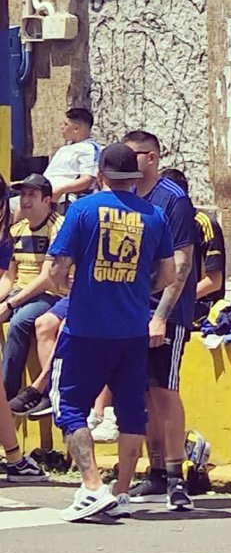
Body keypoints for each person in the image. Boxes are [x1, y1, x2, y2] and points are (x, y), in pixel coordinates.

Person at [48, 143, 176, 521]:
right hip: (132, 330)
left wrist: (71, 288)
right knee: (131, 412)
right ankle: (121, 490)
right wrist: (136, 291)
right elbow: (168, 276)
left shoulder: (83, 210)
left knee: (69, 405)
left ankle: (92, 486)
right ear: (135, 178)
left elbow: (57, 268)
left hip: (86, 329)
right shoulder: (155, 216)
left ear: (101, 175)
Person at [122, 131, 198, 509]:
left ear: (151, 157)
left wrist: (160, 316)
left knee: (166, 392)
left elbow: (181, 265)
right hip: (133, 308)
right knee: (145, 391)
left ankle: (175, 477)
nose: (125, 161)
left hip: (165, 312)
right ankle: (153, 472)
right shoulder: (130, 198)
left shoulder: (173, 200)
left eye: (132, 155)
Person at [0, 175, 69, 412]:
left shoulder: (58, 226)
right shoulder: (16, 229)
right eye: (23, 194)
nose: (25, 200)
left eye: (32, 195)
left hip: (49, 295)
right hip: (21, 292)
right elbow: (9, 277)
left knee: (19, 322)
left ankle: (6, 395)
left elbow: (48, 278)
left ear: (47, 199)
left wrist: (9, 306)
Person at [0, 175, 46, 482]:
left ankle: (15, 459)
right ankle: (15, 459)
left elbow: (8, 276)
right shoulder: (12, 232)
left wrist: (6, 301)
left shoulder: (8, 235)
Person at [160, 168, 227, 325]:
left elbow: (214, 281)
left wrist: (174, 299)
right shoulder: (162, 221)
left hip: (201, 305)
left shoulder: (204, 223)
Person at [42, 108, 100, 206]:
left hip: (61, 199)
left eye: (65, 124)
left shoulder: (88, 148)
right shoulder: (64, 149)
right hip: (42, 193)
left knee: (14, 207)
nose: (61, 127)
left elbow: (87, 180)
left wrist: (61, 190)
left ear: (76, 128)